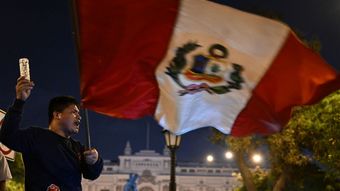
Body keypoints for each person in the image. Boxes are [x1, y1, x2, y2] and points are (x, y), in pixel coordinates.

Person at [0, 76, 103, 191]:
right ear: (57, 115)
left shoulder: (78, 148)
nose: (79, 117)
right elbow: (8, 136)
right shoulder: (36, 136)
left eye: (79, 113)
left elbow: (91, 175)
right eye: (74, 112)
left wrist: (95, 161)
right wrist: (19, 101)